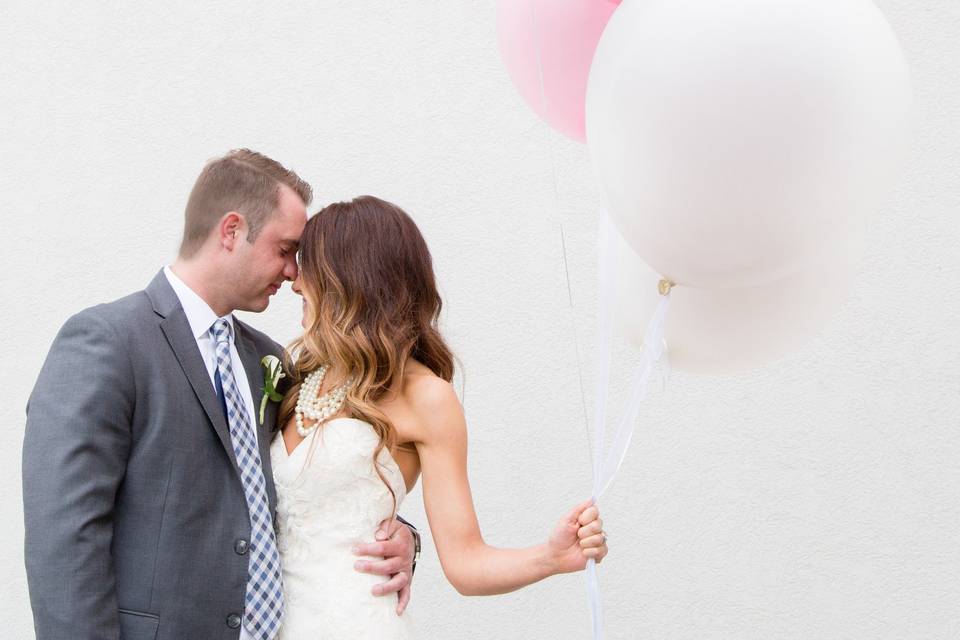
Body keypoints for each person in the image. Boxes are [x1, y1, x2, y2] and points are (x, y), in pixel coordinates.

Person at [22, 150, 417, 640]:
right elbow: (64, 541)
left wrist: (400, 535)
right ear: (231, 231)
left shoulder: (268, 361)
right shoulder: (107, 342)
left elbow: (310, 483)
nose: (295, 272)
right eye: (284, 249)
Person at [271, 195, 609, 638]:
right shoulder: (298, 377)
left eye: (308, 267)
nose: (295, 282)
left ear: (349, 278)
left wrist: (550, 556)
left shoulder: (426, 396)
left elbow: (466, 563)